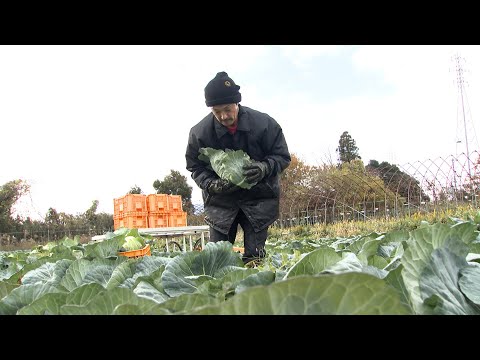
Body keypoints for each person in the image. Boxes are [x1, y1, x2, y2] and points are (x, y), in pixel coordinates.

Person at [185, 71, 291, 264]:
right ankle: (221, 293)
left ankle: (251, 292)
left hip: (258, 199)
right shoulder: (199, 133)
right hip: (221, 203)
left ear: (237, 103)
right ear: (211, 110)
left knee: (254, 257)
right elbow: (194, 167)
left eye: (227, 109)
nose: (224, 116)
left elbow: (282, 156)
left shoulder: (264, 124)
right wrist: (211, 184)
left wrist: (264, 168)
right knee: (217, 259)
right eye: (217, 112)